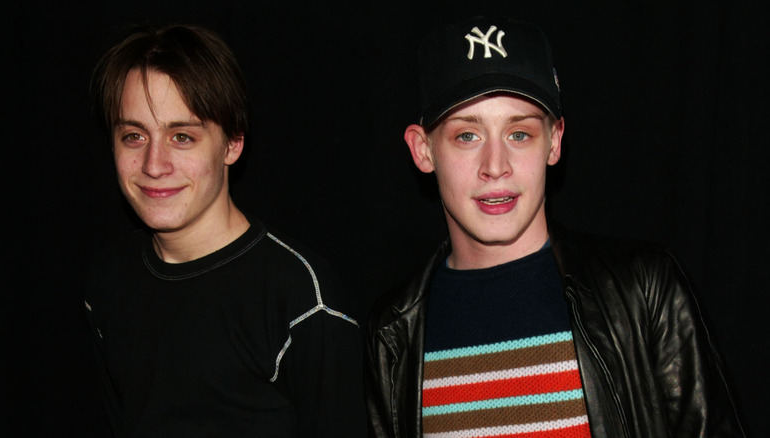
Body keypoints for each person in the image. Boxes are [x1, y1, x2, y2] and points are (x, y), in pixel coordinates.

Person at [364, 16, 743, 437]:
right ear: (423, 149)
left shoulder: (643, 290)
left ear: (555, 141)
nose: (496, 167)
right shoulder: (393, 332)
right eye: (467, 135)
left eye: (519, 134)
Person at [84, 24, 366, 437]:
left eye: (182, 136)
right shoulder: (106, 284)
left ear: (232, 143)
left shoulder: (301, 299)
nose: (153, 164)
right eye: (133, 136)